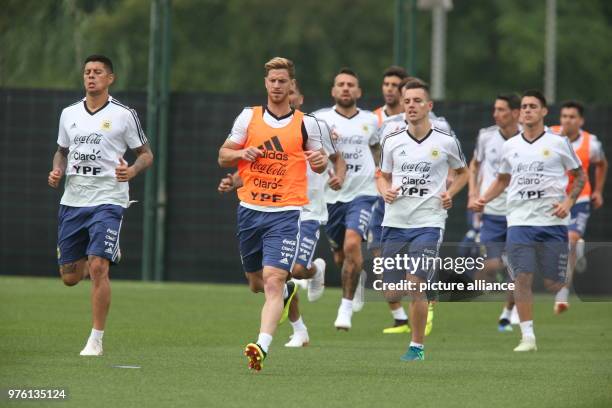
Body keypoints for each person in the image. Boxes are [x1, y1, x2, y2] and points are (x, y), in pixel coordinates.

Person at [218, 57, 327, 371]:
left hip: (286, 212)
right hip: (250, 211)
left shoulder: (307, 123)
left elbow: (320, 162)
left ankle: (261, 346)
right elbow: (222, 155)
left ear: (292, 85)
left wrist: (319, 161)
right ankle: (290, 291)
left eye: (283, 81)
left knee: (273, 280)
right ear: (265, 83)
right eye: (273, 81)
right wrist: (241, 153)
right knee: (255, 283)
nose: (278, 86)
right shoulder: (248, 117)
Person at [48, 54, 154, 356]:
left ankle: (95, 339)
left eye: (97, 72)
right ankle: (97, 252)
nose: (91, 76)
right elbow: (61, 151)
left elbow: (146, 154)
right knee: (70, 277)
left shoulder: (123, 114)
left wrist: (131, 171)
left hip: (109, 199)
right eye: (87, 72)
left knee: (97, 266)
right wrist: (58, 169)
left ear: (110, 78)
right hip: (73, 200)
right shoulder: (69, 113)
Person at [474, 90, 585, 352]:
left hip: (552, 221)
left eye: (533, 106)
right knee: (521, 277)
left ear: (544, 112)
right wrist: (483, 198)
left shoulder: (558, 142)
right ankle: (527, 337)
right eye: (524, 106)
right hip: (519, 221)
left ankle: (574, 253)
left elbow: (580, 176)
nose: (527, 111)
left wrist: (568, 202)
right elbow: (502, 179)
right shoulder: (510, 146)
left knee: (552, 283)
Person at [379, 79, 468, 360]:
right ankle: (429, 288)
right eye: (407, 101)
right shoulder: (392, 140)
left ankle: (416, 347)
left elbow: (464, 172)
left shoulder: (446, 141)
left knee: (414, 283)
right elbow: (382, 175)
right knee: (391, 293)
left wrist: (450, 192)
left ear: (429, 106)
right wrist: (385, 192)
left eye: (417, 101)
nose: (411, 106)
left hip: (429, 222)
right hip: (395, 222)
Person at [313, 68, 379, 330]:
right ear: (333, 91)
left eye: (351, 84)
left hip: (363, 193)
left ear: (358, 91)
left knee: (353, 244)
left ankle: (345, 308)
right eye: (340, 84)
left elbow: (376, 148)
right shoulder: (320, 120)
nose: (345, 88)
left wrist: (382, 174)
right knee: (341, 259)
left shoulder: (371, 121)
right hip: (331, 197)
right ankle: (356, 276)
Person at [467, 94, 521, 331]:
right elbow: (474, 165)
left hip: (520, 213)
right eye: (495, 109)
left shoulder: (528, 139)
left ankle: (508, 313)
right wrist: (473, 194)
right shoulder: (486, 135)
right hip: (491, 212)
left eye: (501, 110)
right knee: (492, 264)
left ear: (515, 113)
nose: (496, 113)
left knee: (517, 266)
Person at [549, 101, 608, 314]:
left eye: (572, 117)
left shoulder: (591, 143)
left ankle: (562, 294)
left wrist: (598, 191)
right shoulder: (550, 135)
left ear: (580, 120)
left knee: (570, 240)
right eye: (564, 116)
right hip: (553, 199)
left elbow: (601, 164)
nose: (567, 120)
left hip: (579, 199)